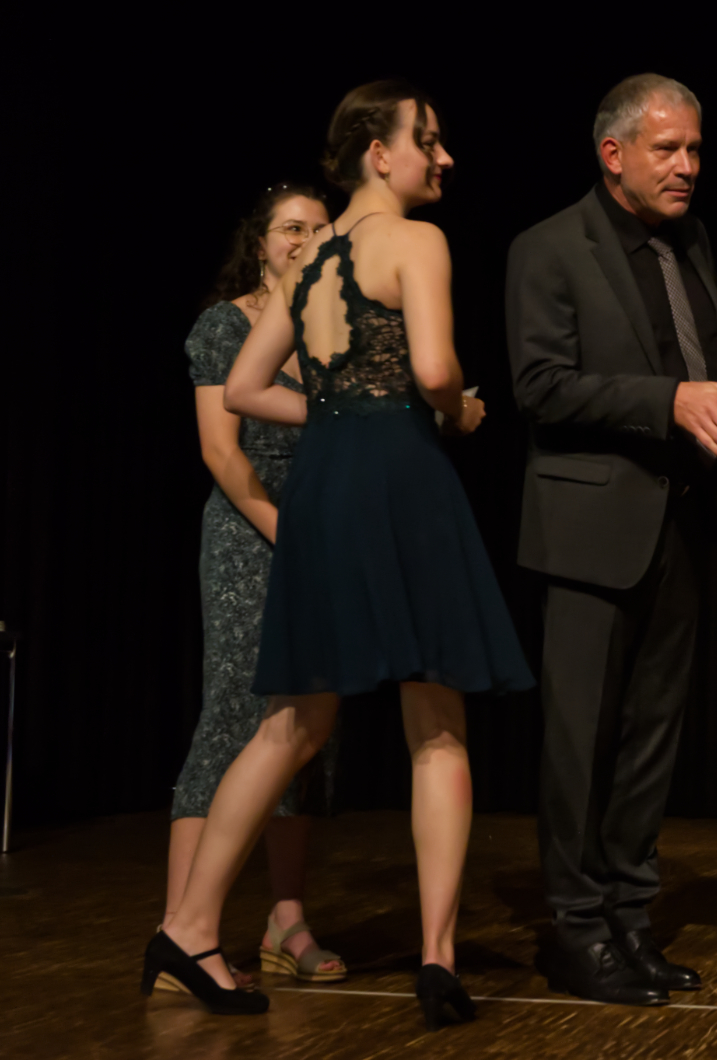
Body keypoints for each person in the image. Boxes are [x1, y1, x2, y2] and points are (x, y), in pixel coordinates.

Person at [142, 81, 533, 1031]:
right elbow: (433, 369)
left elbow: (244, 388)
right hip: (401, 479)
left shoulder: (312, 262)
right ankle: (437, 959)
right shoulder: (417, 242)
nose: (444, 158)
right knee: (436, 721)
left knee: (291, 724)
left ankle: (186, 928)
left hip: (323, 487)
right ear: (377, 151)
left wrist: (331, 413)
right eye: (428, 140)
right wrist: (459, 409)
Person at [505, 73, 717, 1007]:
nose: (687, 166)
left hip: (685, 520)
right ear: (613, 153)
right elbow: (541, 386)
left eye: (696, 149)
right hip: (593, 529)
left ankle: (630, 921)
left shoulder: (691, 242)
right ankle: (575, 930)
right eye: (668, 149)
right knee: (580, 742)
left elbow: (709, 362)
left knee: (650, 738)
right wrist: (669, 402)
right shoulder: (548, 247)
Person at [163, 183, 345, 998]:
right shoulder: (225, 325)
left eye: (319, 228)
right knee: (235, 720)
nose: (304, 239)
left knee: (306, 729)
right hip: (251, 536)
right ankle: (178, 929)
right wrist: (285, 534)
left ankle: (285, 921)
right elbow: (220, 451)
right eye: (290, 228)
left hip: (321, 539)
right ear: (261, 241)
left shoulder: (330, 328)